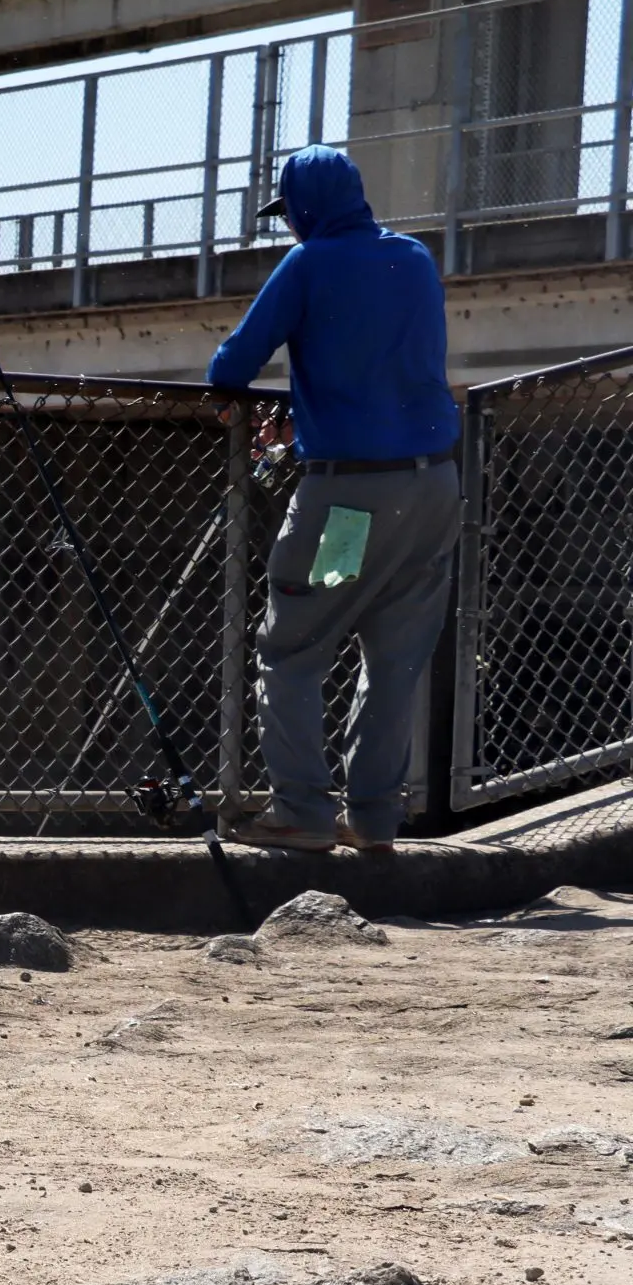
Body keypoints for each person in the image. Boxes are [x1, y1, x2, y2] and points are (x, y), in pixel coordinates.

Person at [205, 143, 461, 855]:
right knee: (395, 658)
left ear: (306, 208)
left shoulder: (309, 262)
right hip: (434, 488)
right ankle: (374, 822)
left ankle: (302, 814)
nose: (288, 227)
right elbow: (382, 360)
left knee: (293, 650)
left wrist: (299, 398)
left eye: (289, 213)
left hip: (350, 501)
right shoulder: (413, 258)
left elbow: (231, 364)